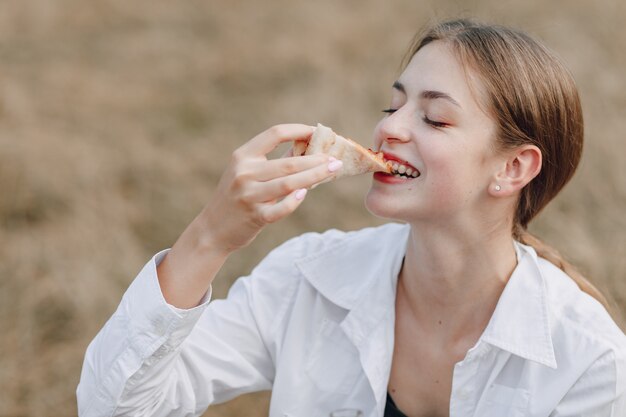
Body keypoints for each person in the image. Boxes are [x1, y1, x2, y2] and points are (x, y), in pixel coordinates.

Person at [77, 18, 626, 417]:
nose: (389, 128)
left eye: (434, 118)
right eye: (394, 106)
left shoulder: (587, 360)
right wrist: (208, 239)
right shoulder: (308, 277)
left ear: (512, 167)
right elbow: (114, 407)